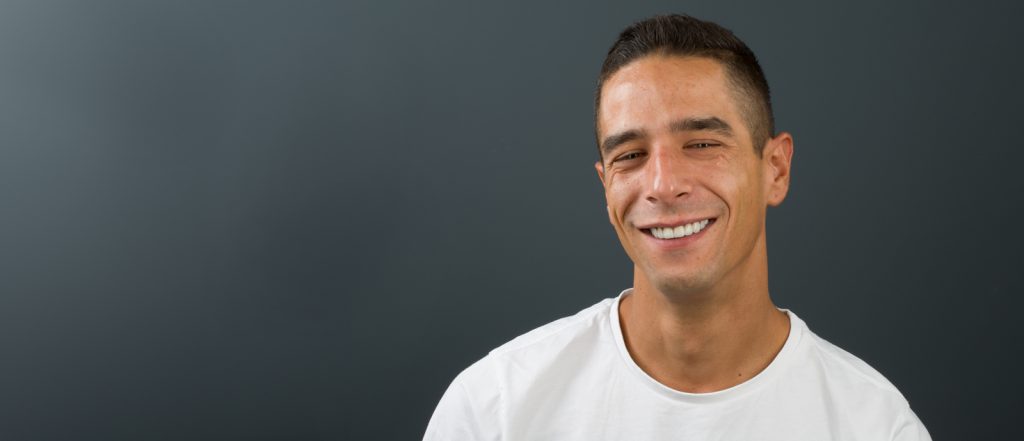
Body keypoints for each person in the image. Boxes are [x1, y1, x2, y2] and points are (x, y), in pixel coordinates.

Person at [423, 14, 930, 441]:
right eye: (630, 155)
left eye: (703, 144)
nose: (663, 185)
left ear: (775, 169)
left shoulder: (874, 425)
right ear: (606, 187)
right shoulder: (494, 411)